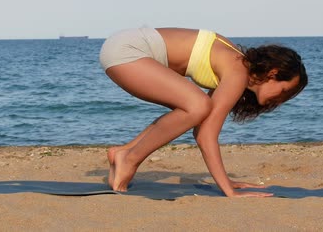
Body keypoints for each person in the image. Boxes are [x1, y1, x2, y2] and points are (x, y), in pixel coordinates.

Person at [99, 27, 308, 197]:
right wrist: (227, 189)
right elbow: (206, 136)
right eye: (285, 91)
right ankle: (130, 158)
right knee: (197, 106)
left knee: (193, 109)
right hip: (128, 50)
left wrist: (227, 181)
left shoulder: (235, 64)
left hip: (124, 46)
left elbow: (201, 129)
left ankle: (123, 152)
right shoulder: (238, 72)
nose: (282, 99)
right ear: (273, 73)